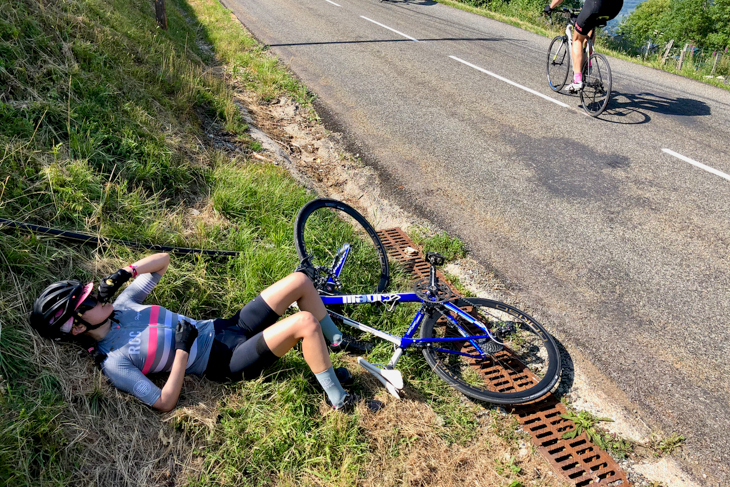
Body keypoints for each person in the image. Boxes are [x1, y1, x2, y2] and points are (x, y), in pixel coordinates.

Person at [30, 253, 355, 412]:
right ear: (78, 325)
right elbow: (164, 402)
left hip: (226, 327)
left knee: (299, 281)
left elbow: (163, 262)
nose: (98, 296)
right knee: (304, 323)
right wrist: (182, 352)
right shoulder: (114, 362)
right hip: (224, 360)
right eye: (88, 301)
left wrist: (125, 273)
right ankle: (339, 399)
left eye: (93, 292)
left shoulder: (124, 303)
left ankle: (340, 341)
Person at [544, 0, 623, 92]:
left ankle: (577, 81)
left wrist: (550, 7)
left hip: (596, 4)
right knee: (590, 24)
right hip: (614, 8)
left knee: (577, 39)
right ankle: (587, 63)